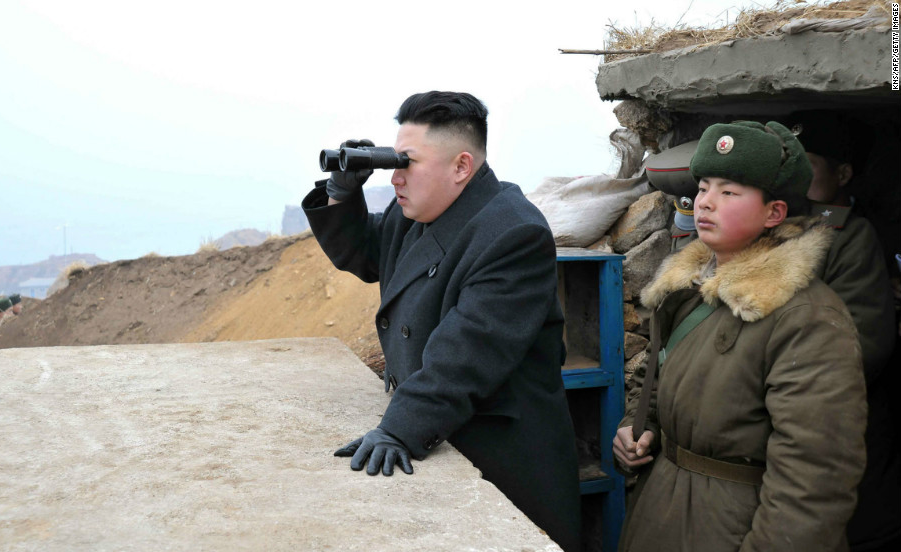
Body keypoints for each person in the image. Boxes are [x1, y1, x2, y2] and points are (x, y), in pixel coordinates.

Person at [302, 91, 582, 551]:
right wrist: (341, 193)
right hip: (447, 433)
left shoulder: (514, 233)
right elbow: (369, 254)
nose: (395, 179)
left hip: (500, 460)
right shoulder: (421, 210)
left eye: (407, 163)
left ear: (460, 167)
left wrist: (398, 428)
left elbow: (466, 354)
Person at [613, 121, 867, 551]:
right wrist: (637, 426)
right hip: (662, 508)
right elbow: (658, 374)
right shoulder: (689, 292)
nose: (706, 202)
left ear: (775, 213)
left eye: (729, 192)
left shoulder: (808, 318)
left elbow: (815, 478)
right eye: (705, 187)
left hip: (734, 526)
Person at [793, 112, 900, 552]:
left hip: (842, 419)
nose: (798, 176)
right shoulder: (786, 226)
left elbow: (867, 344)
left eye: (810, 164)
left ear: (843, 174)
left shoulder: (854, 237)